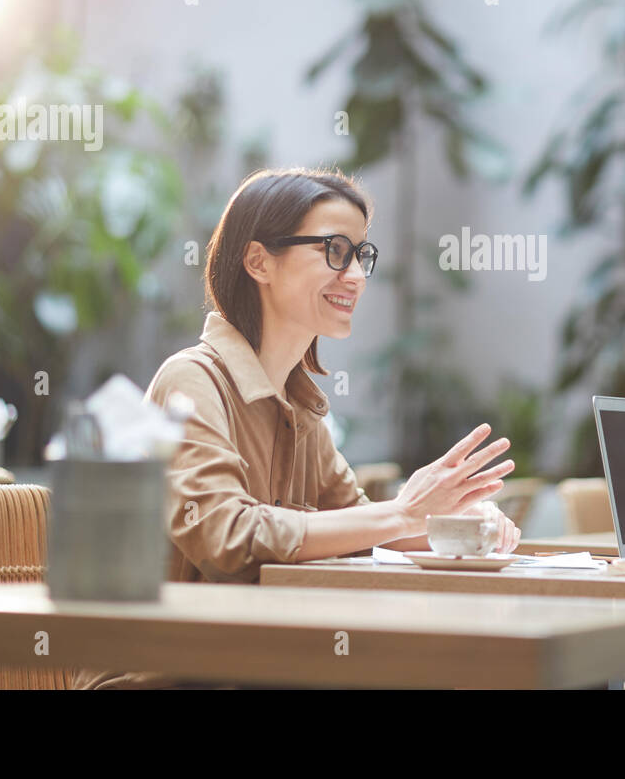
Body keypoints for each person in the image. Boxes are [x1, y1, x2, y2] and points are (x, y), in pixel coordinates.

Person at [74, 167, 519, 689]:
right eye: (334, 250)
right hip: (162, 675)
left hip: (265, 663)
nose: (355, 274)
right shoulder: (190, 381)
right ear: (259, 261)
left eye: (361, 255)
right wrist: (404, 512)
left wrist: (455, 526)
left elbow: (360, 533)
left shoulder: (300, 407)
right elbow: (230, 539)